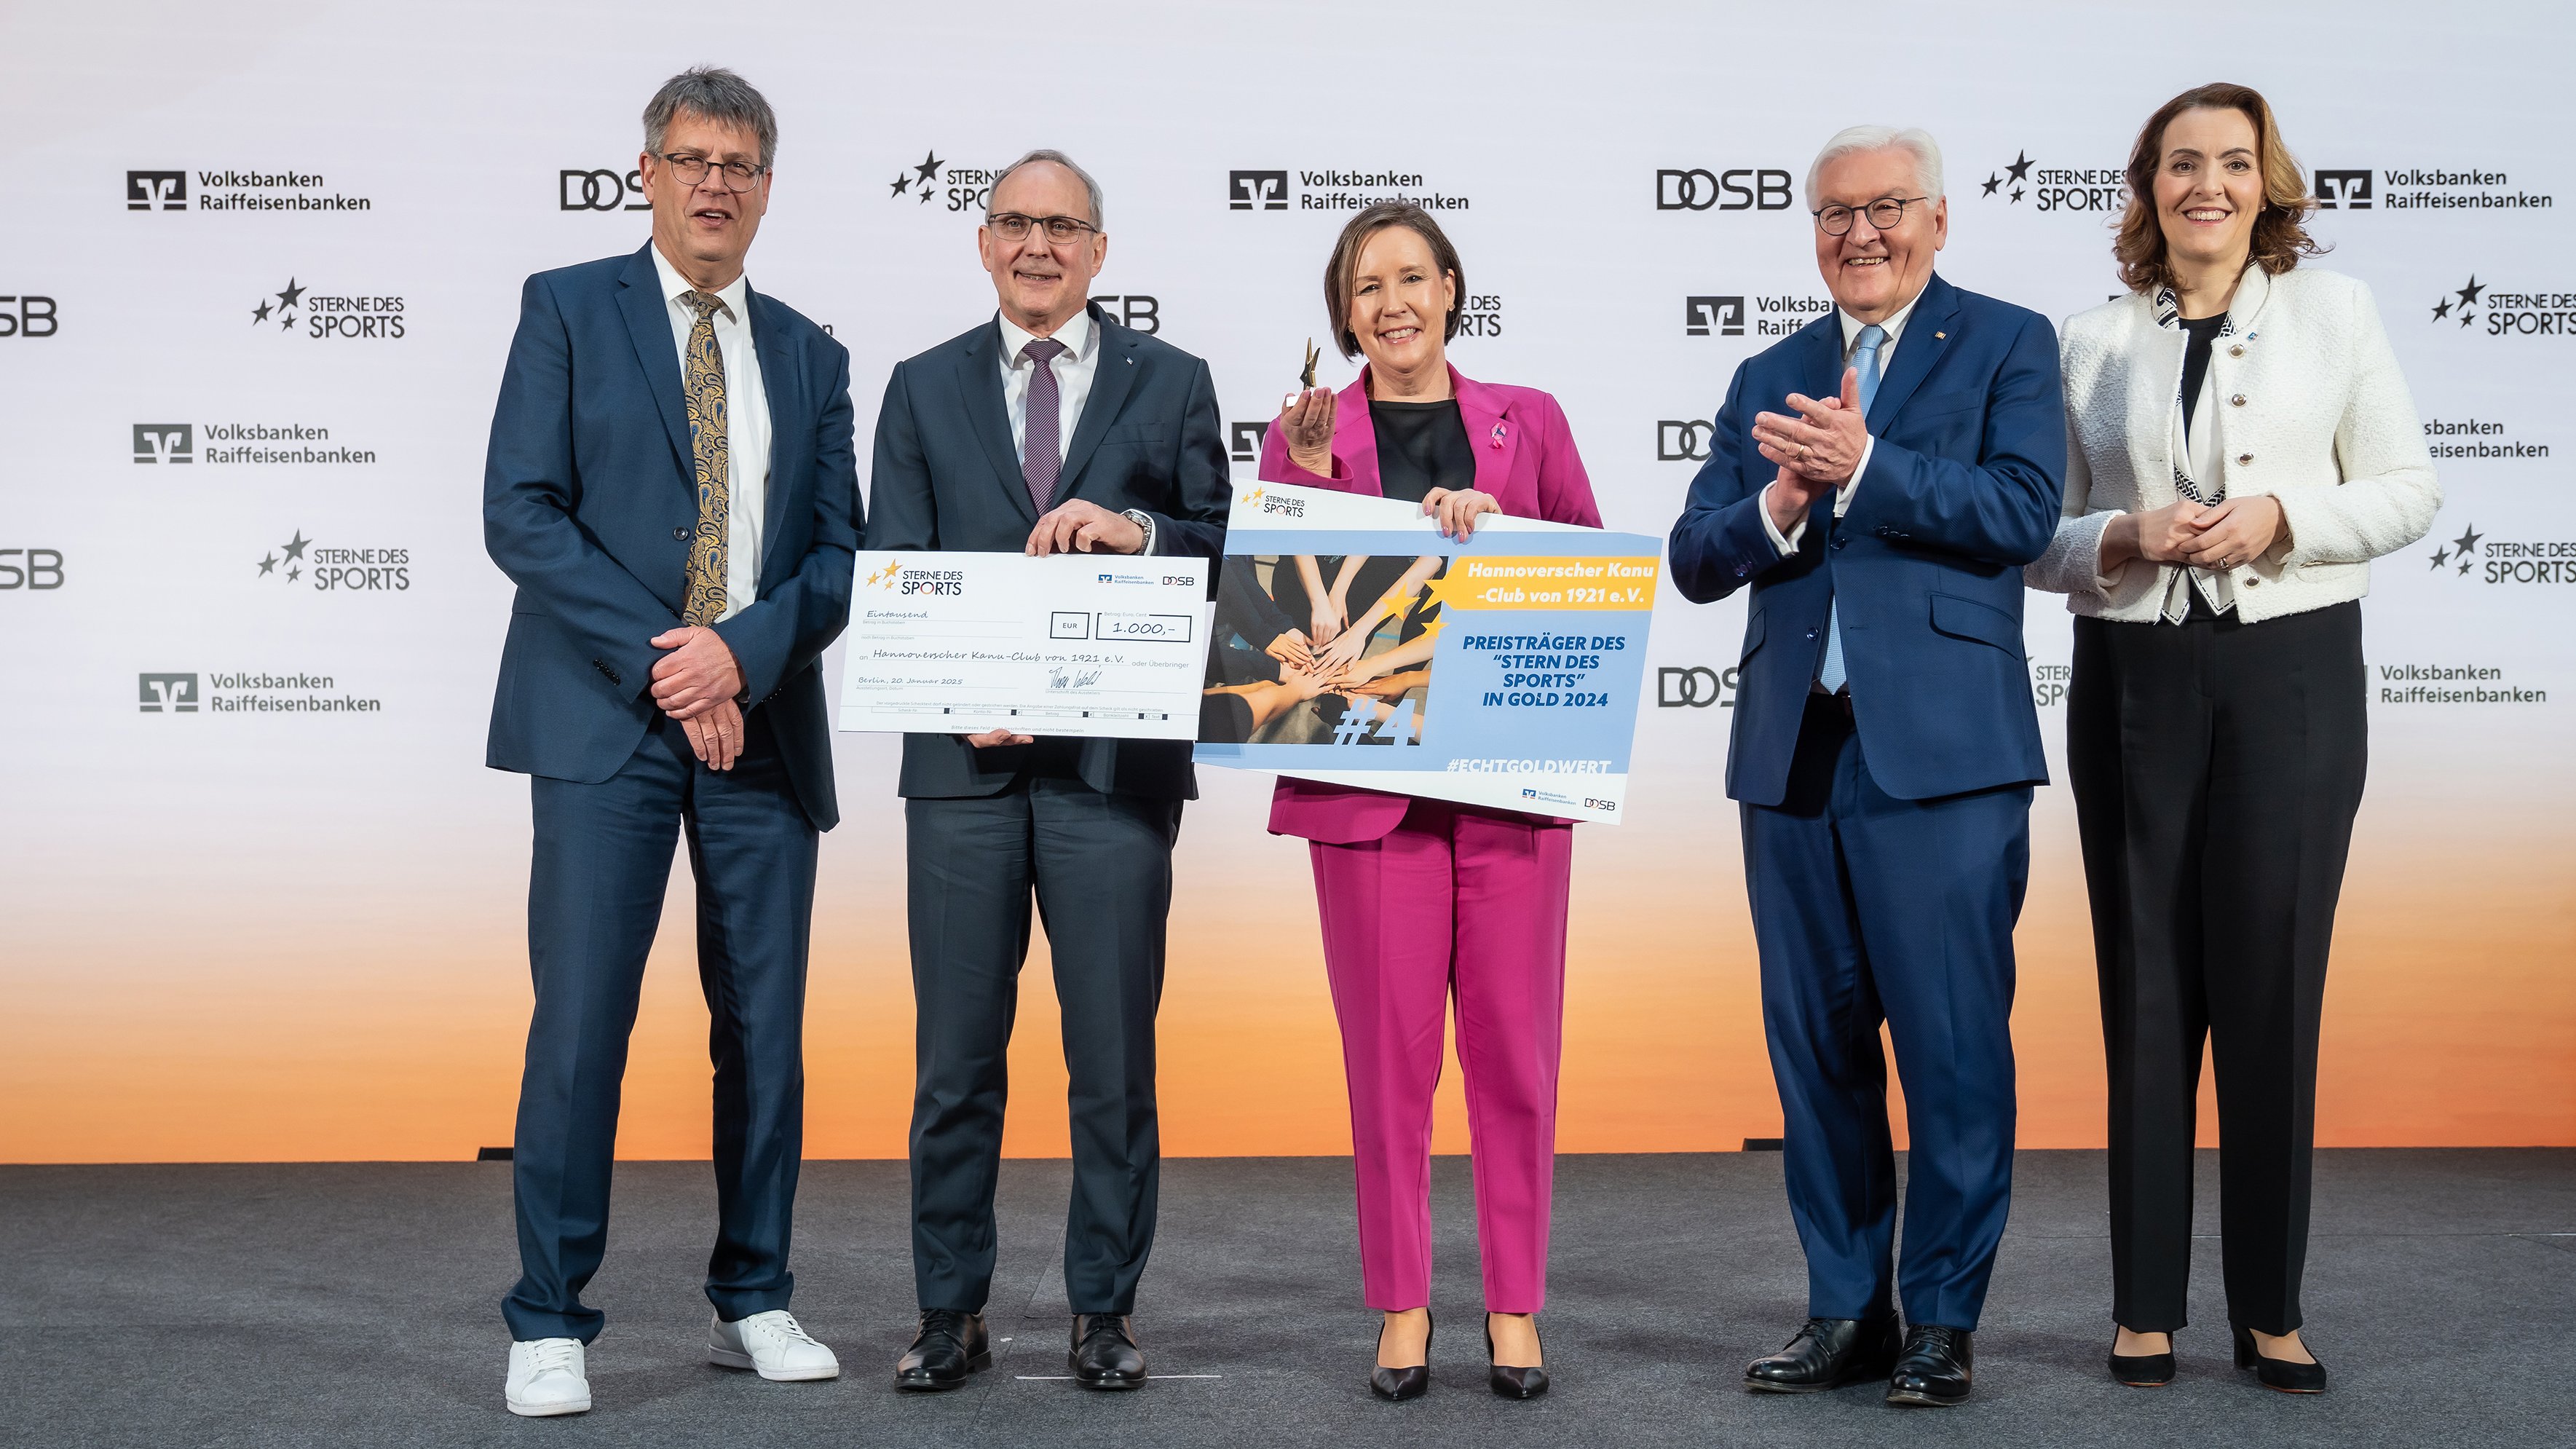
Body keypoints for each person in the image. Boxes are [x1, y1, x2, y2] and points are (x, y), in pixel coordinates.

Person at [2025, 82, 2438, 1395]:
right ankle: (2143, 1303)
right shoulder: (2086, 340)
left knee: (2270, 989)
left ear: (2267, 184)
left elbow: (2408, 488)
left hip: (2294, 678)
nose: (2207, 185)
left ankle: (2270, 1305)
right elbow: (2036, 534)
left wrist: (2279, 518)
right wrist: (2124, 539)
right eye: (2180, 164)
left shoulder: (2336, 312)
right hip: (2133, 671)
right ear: (2147, 188)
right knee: (2143, 985)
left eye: (2233, 164)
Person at [1667, 126, 2064, 1407]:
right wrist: (1779, 505)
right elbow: (1693, 553)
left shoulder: (2007, 340)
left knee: (1952, 1046)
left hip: (1943, 758)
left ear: (1939, 219)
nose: (1860, 232)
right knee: (1816, 1049)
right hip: (1791, 757)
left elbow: (2020, 512)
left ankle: (1942, 1317)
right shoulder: (1767, 370)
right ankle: (1846, 1306)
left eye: (1887, 207)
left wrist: (1871, 468)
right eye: (1834, 213)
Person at [481, 67, 856, 1417]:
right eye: (691, 158)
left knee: (764, 1032)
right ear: (645, 171)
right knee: (583, 1023)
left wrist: (738, 658)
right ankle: (548, 1317)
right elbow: (521, 513)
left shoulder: (813, 351)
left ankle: (754, 1293)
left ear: (766, 186)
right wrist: (674, 658)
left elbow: (834, 556)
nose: (715, 183)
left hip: (760, 725)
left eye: (741, 164)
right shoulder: (567, 307)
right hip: (604, 722)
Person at [865, 149, 1230, 1393]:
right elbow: (892, 567)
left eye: (1062, 226)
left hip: (1110, 776)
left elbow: (1226, 552)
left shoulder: (1172, 381)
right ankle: (947, 1312)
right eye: (1015, 223)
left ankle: (1102, 1314)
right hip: (961, 776)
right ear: (982, 241)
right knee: (955, 1059)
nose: (1038, 245)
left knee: (1113, 1058)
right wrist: (961, 690)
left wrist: (1138, 530)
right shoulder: (917, 387)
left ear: (1099, 250)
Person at [1260, 200, 1600, 1402]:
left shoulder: (1532, 421)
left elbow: (1593, 586)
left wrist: (1503, 537)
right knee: (1387, 1068)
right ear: (1343, 315)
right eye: (1366, 288)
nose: (1391, 304)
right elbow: (1276, 598)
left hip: (1508, 792)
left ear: (1452, 287)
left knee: (1514, 1056)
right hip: (1367, 798)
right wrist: (1303, 480)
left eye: (1412, 277)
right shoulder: (1303, 432)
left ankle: (1514, 1306)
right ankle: (1401, 1305)